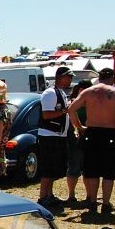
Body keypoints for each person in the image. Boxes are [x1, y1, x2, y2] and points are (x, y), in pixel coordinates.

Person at [67, 68, 115, 212]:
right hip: (110, 133)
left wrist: (79, 126)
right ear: (112, 78)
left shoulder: (88, 92)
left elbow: (71, 109)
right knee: (109, 170)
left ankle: (93, 201)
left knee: (92, 169)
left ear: (99, 78)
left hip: (92, 132)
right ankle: (106, 203)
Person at [37, 66, 75, 206]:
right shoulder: (50, 93)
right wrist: (65, 111)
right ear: (61, 77)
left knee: (54, 168)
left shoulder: (62, 93)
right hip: (49, 135)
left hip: (59, 135)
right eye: (68, 77)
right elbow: (46, 115)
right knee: (48, 168)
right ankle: (42, 197)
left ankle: (49, 194)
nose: (70, 80)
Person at [66, 79, 92, 203]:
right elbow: (70, 117)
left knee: (88, 168)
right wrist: (80, 127)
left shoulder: (91, 102)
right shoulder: (74, 102)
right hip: (76, 138)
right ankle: (71, 195)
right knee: (74, 166)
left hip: (87, 137)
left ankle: (89, 195)